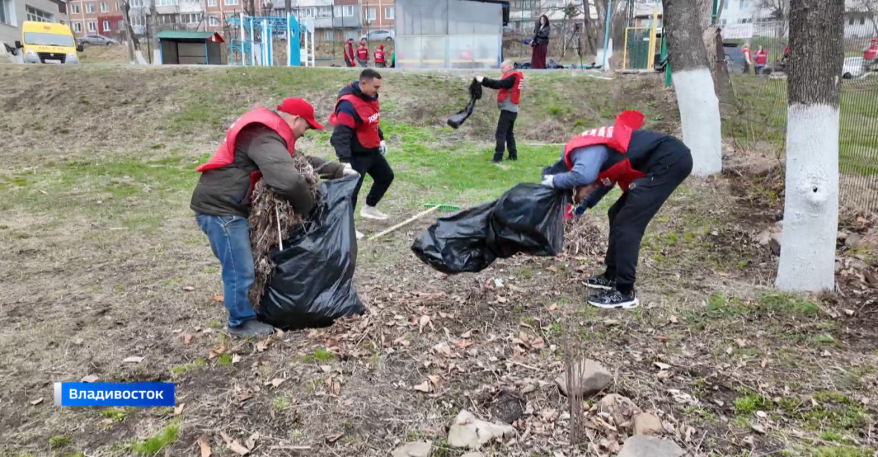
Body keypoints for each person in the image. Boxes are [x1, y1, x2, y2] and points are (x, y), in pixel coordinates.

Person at [191, 98, 358, 337]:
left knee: (244, 264)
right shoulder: (264, 136)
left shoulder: (267, 135)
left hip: (228, 206)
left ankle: (248, 309)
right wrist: (309, 211)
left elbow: (296, 162)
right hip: (222, 210)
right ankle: (239, 323)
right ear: (295, 119)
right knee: (240, 269)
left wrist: (338, 170)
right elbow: (288, 181)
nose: (304, 134)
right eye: (306, 127)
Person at [540, 111, 693, 309]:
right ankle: (611, 275)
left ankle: (624, 291)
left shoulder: (583, 152)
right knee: (616, 213)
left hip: (669, 161)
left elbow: (584, 176)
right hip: (665, 159)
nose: (577, 198)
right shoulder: (592, 155)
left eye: (574, 194)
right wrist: (583, 206)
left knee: (627, 223)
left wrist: (554, 181)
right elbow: (604, 183)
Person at [329, 70, 393, 238]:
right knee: (352, 191)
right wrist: (344, 160)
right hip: (357, 154)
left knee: (386, 176)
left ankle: (369, 208)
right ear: (363, 83)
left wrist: (381, 138)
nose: (377, 91)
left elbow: (371, 120)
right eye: (375, 87)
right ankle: (346, 227)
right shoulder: (348, 105)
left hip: (371, 149)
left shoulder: (370, 97)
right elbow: (340, 135)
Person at [475, 60, 524, 162]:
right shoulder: (515, 76)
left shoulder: (512, 76)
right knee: (509, 133)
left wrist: (483, 80)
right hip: (512, 109)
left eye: (503, 67)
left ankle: (498, 157)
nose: (501, 70)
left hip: (508, 109)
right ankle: (512, 155)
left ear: (510, 66)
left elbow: (499, 84)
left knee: (500, 133)